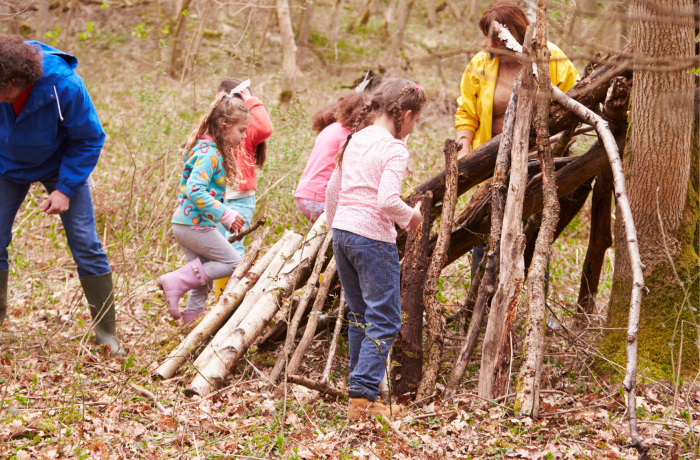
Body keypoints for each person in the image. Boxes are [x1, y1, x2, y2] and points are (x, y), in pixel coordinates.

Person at [0, 35, 125, 356]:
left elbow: (89, 139)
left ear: (16, 81)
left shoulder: (64, 86)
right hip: (6, 165)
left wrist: (65, 189)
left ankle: (107, 334)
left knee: (86, 242)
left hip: (61, 165)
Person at [454, 1, 579, 280]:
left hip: (537, 164)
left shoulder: (551, 58)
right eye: (488, 36)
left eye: (497, 36)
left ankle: (530, 309)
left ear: (517, 31)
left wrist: (553, 151)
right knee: (484, 231)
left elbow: (574, 105)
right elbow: (467, 112)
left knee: (528, 235)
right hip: (490, 164)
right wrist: (464, 151)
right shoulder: (480, 63)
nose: (491, 42)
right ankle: (480, 303)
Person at [325, 78, 426, 420]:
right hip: (372, 239)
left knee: (360, 316)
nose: (413, 128)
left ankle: (360, 392)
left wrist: (335, 227)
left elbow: (331, 189)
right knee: (384, 318)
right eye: (415, 121)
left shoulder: (356, 138)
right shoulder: (394, 148)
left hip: (343, 234)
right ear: (406, 114)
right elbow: (386, 200)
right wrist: (411, 217)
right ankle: (363, 398)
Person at [158, 91, 247, 324]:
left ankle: (190, 331)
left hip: (186, 225)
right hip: (194, 226)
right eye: (241, 131)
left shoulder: (207, 149)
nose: (244, 136)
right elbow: (195, 190)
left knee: (201, 280)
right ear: (225, 127)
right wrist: (226, 214)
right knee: (233, 262)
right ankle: (176, 280)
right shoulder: (209, 153)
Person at [294, 91, 375, 222]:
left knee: (323, 236)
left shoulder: (332, 128)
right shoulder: (347, 135)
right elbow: (351, 170)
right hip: (320, 199)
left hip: (304, 195)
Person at [215, 78, 274, 257]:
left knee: (234, 245)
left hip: (240, 199)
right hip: (218, 199)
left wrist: (251, 100)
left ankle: (233, 284)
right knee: (217, 244)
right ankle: (220, 284)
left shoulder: (245, 132)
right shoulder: (217, 130)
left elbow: (266, 128)